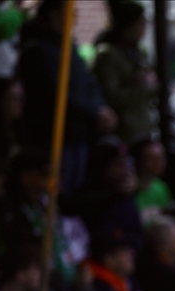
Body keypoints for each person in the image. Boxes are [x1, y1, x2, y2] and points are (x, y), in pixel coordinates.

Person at [18, 0, 117, 191]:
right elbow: (56, 93)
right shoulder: (37, 48)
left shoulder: (68, 45)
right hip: (55, 131)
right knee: (58, 186)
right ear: (55, 14)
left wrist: (100, 108)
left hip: (78, 131)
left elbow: (89, 81)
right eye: (70, 12)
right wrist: (93, 112)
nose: (75, 17)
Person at [92, 0, 156, 145]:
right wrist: (140, 85)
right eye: (140, 24)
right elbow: (111, 98)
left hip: (142, 126)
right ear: (127, 26)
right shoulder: (108, 55)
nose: (143, 29)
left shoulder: (139, 53)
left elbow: (152, 86)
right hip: (122, 132)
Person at [131, 138, 171, 221]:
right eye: (151, 158)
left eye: (161, 158)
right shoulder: (129, 190)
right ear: (138, 161)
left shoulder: (161, 188)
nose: (159, 163)